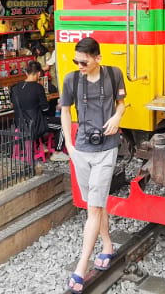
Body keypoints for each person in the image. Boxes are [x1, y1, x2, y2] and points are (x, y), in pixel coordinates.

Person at [60, 37, 126, 293]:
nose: (79, 65)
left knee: (95, 207)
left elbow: (121, 104)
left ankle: (80, 267)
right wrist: (70, 146)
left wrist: (117, 117)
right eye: (76, 61)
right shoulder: (70, 80)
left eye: (84, 61)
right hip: (81, 149)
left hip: (107, 148)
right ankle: (107, 245)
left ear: (98, 58)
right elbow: (65, 111)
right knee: (95, 206)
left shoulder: (114, 74)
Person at [10, 61, 50, 141]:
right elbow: (45, 108)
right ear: (39, 74)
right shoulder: (38, 87)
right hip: (35, 125)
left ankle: (41, 145)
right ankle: (57, 150)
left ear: (26, 73)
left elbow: (13, 104)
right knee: (62, 124)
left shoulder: (15, 88)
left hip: (19, 125)